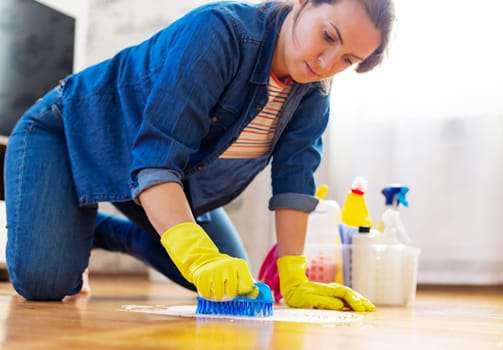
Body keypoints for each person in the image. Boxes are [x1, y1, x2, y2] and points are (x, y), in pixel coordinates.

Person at [4, 0, 394, 311]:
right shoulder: (220, 32)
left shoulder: (313, 91)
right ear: (303, 2)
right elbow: (158, 156)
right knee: (46, 284)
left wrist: (294, 275)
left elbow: (295, 179)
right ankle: (71, 214)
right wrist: (196, 254)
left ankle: (102, 231)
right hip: (67, 135)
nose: (326, 62)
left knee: (234, 286)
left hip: (154, 175)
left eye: (347, 60)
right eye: (328, 35)